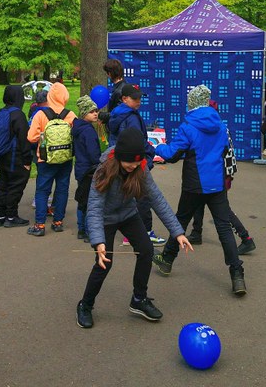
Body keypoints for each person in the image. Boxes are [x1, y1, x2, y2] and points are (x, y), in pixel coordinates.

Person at [76, 127, 191, 329]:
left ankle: (139, 299)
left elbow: (157, 199)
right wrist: (98, 241)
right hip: (106, 218)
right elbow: (94, 208)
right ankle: (85, 305)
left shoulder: (140, 167)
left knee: (146, 251)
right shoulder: (104, 168)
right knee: (104, 263)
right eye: (130, 162)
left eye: (137, 162)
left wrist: (178, 232)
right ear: (120, 157)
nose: (133, 166)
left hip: (128, 214)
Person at [152, 84, 247, 296]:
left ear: (191, 103)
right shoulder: (220, 125)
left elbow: (172, 154)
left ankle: (167, 260)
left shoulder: (188, 126)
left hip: (194, 184)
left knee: (180, 221)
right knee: (224, 228)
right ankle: (237, 275)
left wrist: (155, 146)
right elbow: (224, 150)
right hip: (216, 182)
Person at [188, 99, 256, 255]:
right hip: (219, 174)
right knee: (198, 202)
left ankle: (246, 238)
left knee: (222, 209)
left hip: (214, 175)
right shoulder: (219, 126)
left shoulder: (212, 128)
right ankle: (196, 232)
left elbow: (222, 153)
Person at [107, 83, 166, 246]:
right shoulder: (131, 117)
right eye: (135, 98)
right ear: (124, 99)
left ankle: (129, 234)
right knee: (143, 196)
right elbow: (138, 140)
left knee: (129, 195)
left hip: (121, 160)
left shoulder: (117, 114)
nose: (139, 101)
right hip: (135, 160)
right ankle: (145, 232)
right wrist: (150, 152)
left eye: (140, 97)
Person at [26, 82, 75, 236]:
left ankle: (40, 225)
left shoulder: (41, 114)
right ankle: (58, 222)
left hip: (46, 159)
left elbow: (31, 137)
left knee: (42, 191)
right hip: (66, 159)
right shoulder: (70, 114)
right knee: (62, 189)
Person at [0, 85, 32, 228]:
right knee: (16, 186)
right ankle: (11, 216)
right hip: (16, 158)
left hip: (2, 156)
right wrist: (27, 160)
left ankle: (0, 216)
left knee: (3, 185)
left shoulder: (2, 112)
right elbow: (24, 139)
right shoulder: (18, 115)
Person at [72, 95, 102, 241]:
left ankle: (81, 229)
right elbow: (93, 153)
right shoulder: (88, 131)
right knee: (91, 202)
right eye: (91, 111)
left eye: (96, 110)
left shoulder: (77, 128)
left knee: (82, 200)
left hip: (80, 169)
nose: (95, 113)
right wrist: (100, 163)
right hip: (90, 170)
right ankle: (89, 231)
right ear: (84, 113)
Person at [28, 89, 54, 216]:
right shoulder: (46, 114)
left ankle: (39, 199)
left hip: (34, 149)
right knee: (46, 176)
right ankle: (43, 201)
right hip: (44, 148)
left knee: (41, 174)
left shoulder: (33, 112)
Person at [97, 58, 126, 130]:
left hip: (118, 130)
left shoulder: (119, 91)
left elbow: (118, 114)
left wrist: (99, 115)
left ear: (110, 73)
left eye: (107, 73)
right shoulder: (121, 87)